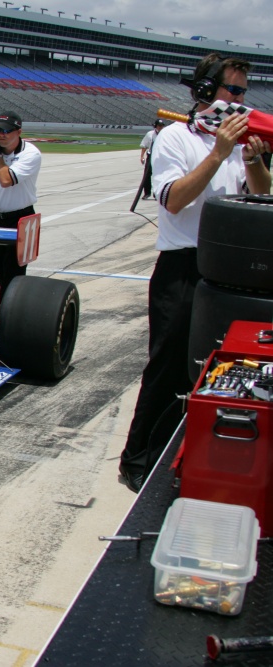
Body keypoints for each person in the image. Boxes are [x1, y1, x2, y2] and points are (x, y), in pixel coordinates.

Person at [118, 53, 270, 492]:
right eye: (233, 91)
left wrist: (254, 159)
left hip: (230, 269)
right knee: (169, 367)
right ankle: (139, 459)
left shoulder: (241, 144)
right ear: (205, 91)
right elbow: (174, 199)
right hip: (183, 267)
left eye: (244, 92)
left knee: (222, 370)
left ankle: (199, 454)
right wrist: (219, 153)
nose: (241, 101)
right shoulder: (174, 139)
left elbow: (261, 196)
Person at [0, 110, 41, 301]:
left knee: (13, 272)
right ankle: (20, 304)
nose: (2, 134)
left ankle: (7, 318)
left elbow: (5, 180)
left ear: (18, 132)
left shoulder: (31, 154)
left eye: (7, 130)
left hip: (22, 218)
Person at [139, 119, 165, 199]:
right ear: (155, 126)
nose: (160, 127)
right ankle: (147, 193)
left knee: (159, 175)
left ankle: (157, 193)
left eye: (162, 126)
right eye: (159, 126)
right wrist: (142, 156)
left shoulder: (166, 134)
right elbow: (144, 145)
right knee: (147, 175)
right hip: (151, 156)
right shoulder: (150, 134)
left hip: (161, 156)